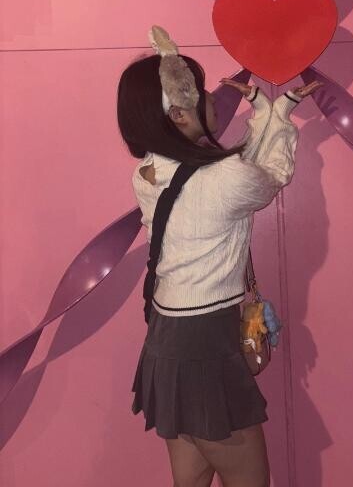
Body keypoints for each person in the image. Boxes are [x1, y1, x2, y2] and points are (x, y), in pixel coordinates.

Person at [116, 27, 322, 487]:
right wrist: (274, 112)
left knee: (190, 479)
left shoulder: (146, 172)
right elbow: (268, 175)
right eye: (201, 91)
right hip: (204, 343)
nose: (212, 99)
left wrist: (267, 113)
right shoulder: (222, 178)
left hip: (167, 340)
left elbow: (229, 175)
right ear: (179, 114)